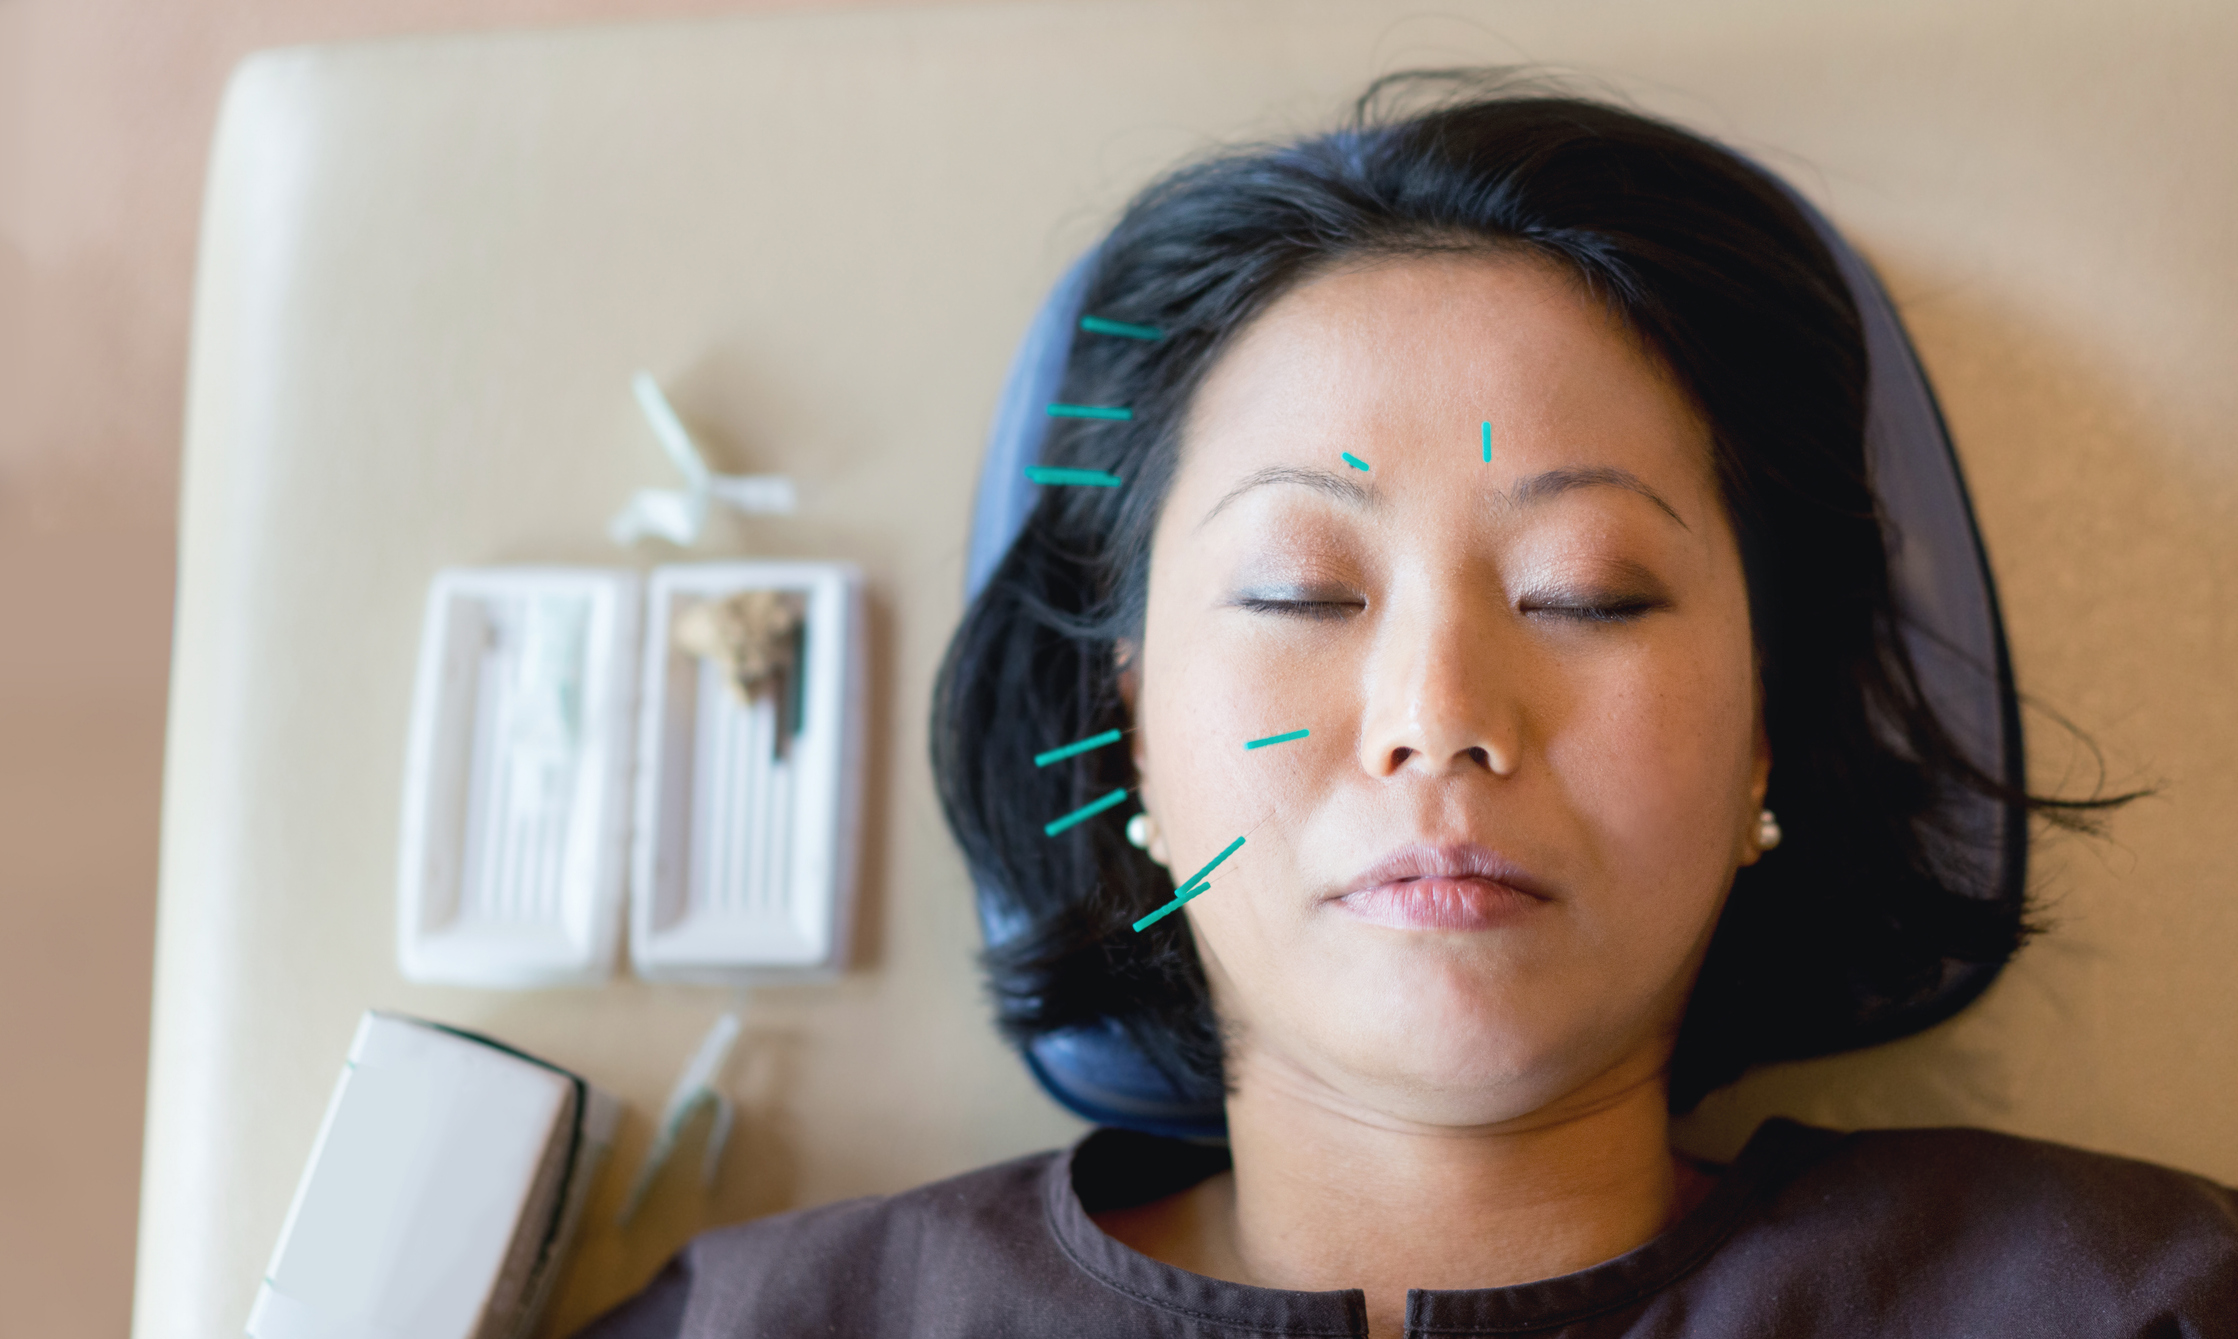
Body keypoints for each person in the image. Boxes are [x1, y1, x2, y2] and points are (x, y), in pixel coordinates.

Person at [579, 74, 2235, 1338]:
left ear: (1766, 734)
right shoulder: (769, 1320)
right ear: (1131, 727)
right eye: (1304, 593)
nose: (1438, 716)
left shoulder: (2126, 1302)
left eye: (1585, 593)